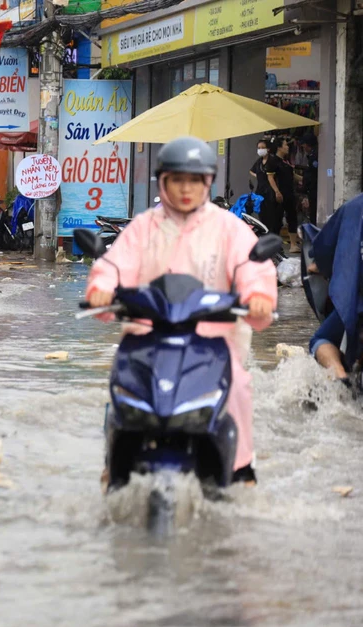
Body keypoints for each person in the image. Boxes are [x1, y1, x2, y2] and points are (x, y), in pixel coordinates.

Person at [86, 136, 278, 484]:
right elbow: (114, 264)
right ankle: (115, 460)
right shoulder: (143, 226)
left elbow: (253, 267)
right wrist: (102, 289)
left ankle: (239, 467)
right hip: (148, 333)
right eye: (177, 180)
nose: (186, 189)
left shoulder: (229, 227)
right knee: (125, 383)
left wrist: (258, 295)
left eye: (194, 180)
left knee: (236, 385)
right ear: (163, 181)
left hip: (212, 338)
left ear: (207, 182)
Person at [308, 193, 363, 384]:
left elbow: (323, 250)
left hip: (356, 301)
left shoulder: (353, 208)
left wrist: (318, 266)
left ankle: (340, 376)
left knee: (321, 339)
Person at [250, 138, 284, 235]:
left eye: (263, 147)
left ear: (268, 149)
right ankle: (265, 235)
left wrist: (277, 192)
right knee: (262, 216)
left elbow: (271, 178)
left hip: (270, 192)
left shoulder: (272, 160)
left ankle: (272, 236)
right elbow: (251, 171)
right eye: (259, 148)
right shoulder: (259, 161)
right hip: (260, 192)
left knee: (272, 217)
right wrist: (259, 175)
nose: (260, 150)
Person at [274, 137, 302, 253]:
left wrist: (305, 179)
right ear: (279, 147)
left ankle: (293, 244)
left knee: (292, 218)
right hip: (279, 194)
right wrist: (276, 191)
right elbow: (269, 178)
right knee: (277, 219)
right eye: (285, 145)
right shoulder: (274, 161)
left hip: (289, 193)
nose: (288, 147)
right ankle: (275, 245)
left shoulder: (286, 161)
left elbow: (292, 175)